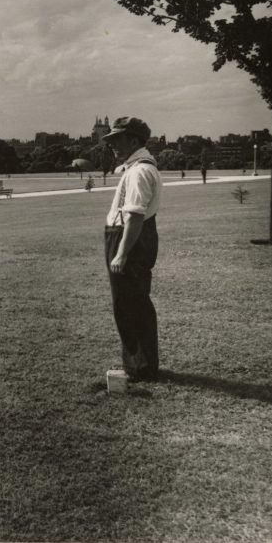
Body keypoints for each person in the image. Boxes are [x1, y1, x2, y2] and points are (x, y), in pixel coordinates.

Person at [102, 116, 163, 382]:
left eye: (118, 139)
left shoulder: (139, 171)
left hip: (129, 237)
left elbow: (136, 216)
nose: (112, 145)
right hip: (129, 234)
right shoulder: (137, 167)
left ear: (134, 140)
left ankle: (141, 367)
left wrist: (122, 253)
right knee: (132, 302)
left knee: (129, 303)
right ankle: (140, 362)